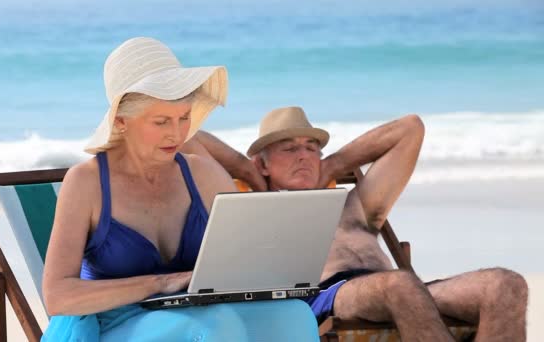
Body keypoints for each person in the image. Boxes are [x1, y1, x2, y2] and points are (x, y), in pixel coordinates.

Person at [41, 39, 318, 341]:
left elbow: (251, 253)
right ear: (121, 121)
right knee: (215, 325)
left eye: (184, 118)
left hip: (197, 311)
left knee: (294, 315)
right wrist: (159, 283)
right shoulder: (86, 183)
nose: (176, 133)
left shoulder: (200, 173)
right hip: (115, 324)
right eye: (161, 122)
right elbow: (57, 296)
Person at [182, 106, 529, 341]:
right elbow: (187, 136)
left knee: (504, 284)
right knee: (399, 285)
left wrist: (333, 166)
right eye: (288, 149)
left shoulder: (355, 205)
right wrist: (244, 170)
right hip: (329, 297)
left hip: (408, 296)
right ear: (264, 163)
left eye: (311, 148)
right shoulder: (253, 209)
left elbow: (410, 128)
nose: (304, 155)